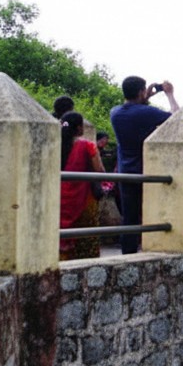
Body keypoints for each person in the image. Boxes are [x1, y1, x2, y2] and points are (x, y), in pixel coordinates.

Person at [110, 76, 179, 255]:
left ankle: (128, 255)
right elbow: (177, 118)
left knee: (130, 218)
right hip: (148, 172)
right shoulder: (146, 113)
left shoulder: (115, 112)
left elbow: (133, 109)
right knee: (156, 215)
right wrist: (170, 95)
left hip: (125, 173)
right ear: (141, 91)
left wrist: (144, 97)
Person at [59, 111, 104, 260]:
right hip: (84, 199)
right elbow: (100, 171)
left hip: (59, 199)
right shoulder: (87, 145)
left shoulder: (55, 144)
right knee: (85, 237)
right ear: (79, 128)